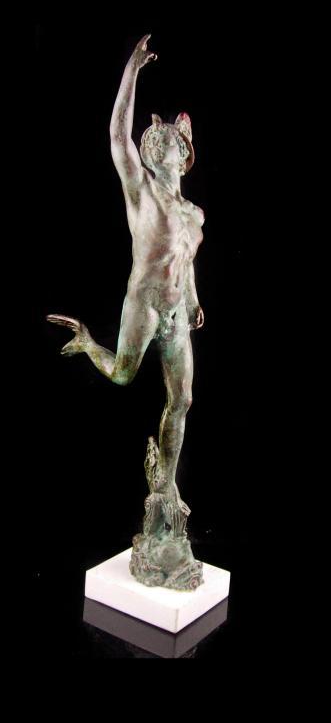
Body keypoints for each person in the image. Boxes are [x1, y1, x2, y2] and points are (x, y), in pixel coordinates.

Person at [47, 34, 204, 512]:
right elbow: (118, 136)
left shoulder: (193, 213)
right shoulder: (141, 191)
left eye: (168, 141)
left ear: (183, 154)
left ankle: (166, 485)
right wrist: (131, 71)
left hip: (177, 312)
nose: (161, 145)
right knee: (121, 375)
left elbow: (187, 258)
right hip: (146, 302)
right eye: (156, 141)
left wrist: (194, 300)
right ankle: (87, 342)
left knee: (182, 400)